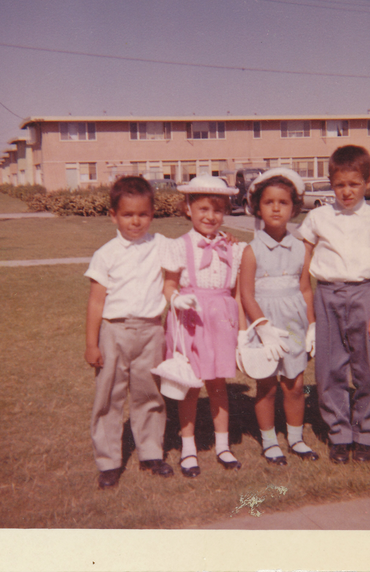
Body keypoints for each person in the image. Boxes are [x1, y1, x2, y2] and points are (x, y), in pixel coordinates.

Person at [296, 145, 370, 464]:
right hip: (328, 294)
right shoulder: (318, 217)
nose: (347, 191)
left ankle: (366, 435)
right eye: (340, 184)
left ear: (368, 182)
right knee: (330, 370)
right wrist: (310, 313)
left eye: (354, 184)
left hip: (364, 295)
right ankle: (340, 434)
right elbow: (304, 265)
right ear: (331, 182)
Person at [84, 176, 173, 489]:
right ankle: (108, 461)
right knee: (109, 395)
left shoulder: (160, 244)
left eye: (143, 214)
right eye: (127, 214)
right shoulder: (105, 254)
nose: (136, 221)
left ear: (152, 214)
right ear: (113, 215)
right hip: (114, 331)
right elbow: (96, 303)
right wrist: (91, 344)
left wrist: (227, 239)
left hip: (150, 330)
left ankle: (151, 452)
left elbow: (191, 248)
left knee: (149, 393)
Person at [162, 176, 246, 478]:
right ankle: (188, 447)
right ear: (188, 209)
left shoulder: (234, 248)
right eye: (202, 209)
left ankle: (223, 445)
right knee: (190, 386)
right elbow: (168, 286)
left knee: (218, 385)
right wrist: (176, 300)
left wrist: (241, 328)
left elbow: (236, 291)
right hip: (191, 321)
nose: (210, 216)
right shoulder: (179, 246)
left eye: (217, 210)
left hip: (221, 320)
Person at [239, 168, 319, 465]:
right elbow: (246, 294)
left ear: (294, 208)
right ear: (257, 208)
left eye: (283, 202)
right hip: (266, 328)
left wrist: (311, 326)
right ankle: (270, 441)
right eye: (269, 202)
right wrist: (262, 327)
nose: (275, 208)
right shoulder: (251, 250)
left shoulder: (300, 248)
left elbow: (305, 290)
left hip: (295, 326)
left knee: (295, 385)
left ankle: (296, 439)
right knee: (267, 385)